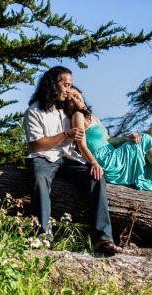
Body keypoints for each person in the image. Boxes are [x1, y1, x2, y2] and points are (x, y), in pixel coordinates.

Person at [23, 66, 123, 253]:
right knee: (39, 178)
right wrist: (64, 135)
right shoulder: (34, 111)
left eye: (70, 85)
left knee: (96, 176)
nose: (69, 89)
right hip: (43, 157)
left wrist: (94, 162)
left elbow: (86, 126)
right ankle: (42, 237)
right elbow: (37, 145)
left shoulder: (66, 110)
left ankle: (102, 239)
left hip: (68, 158)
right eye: (66, 85)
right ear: (53, 85)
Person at [63, 85, 152, 195]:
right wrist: (93, 163)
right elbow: (81, 145)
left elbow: (109, 140)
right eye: (70, 99)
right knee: (145, 139)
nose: (75, 100)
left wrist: (126, 138)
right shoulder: (77, 116)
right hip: (105, 161)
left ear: (81, 93)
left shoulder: (93, 117)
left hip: (112, 154)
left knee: (142, 138)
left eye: (76, 95)